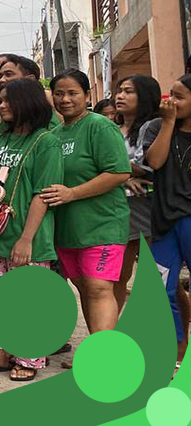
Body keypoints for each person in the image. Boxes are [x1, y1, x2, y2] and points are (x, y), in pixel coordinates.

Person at [0, 78, 62, 382]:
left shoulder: (45, 141)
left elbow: (42, 194)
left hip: (28, 236)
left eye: (9, 100)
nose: (3, 105)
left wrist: (26, 239)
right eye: (2, 100)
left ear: (28, 102)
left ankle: (27, 358)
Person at [41, 69, 131, 336]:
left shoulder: (99, 125)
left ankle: (105, 359)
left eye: (72, 93)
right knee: (85, 289)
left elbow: (119, 172)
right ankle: (96, 352)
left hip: (102, 225)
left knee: (98, 288)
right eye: (59, 94)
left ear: (87, 95)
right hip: (68, 230)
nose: (65, 99)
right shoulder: (56, 133)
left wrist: (72, 193)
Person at [142, 74, 191, 364]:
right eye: (170, 94)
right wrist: (170, 123)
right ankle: (176, 351)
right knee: (162, 290)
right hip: (163, 222)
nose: (170, 101)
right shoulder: (158, 127)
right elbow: (156, 161)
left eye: (179, 96)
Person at [115, 74, 161, 310]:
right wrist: (125, 177)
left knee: (158, 274)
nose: (120, 96)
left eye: (129, 91)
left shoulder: (154, 127)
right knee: (119, 275)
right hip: (119, 207)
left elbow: (150, 164)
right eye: (120, 90)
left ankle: (175, 336)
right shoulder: (112, 129)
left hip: (149, 204)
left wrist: (119, 171)